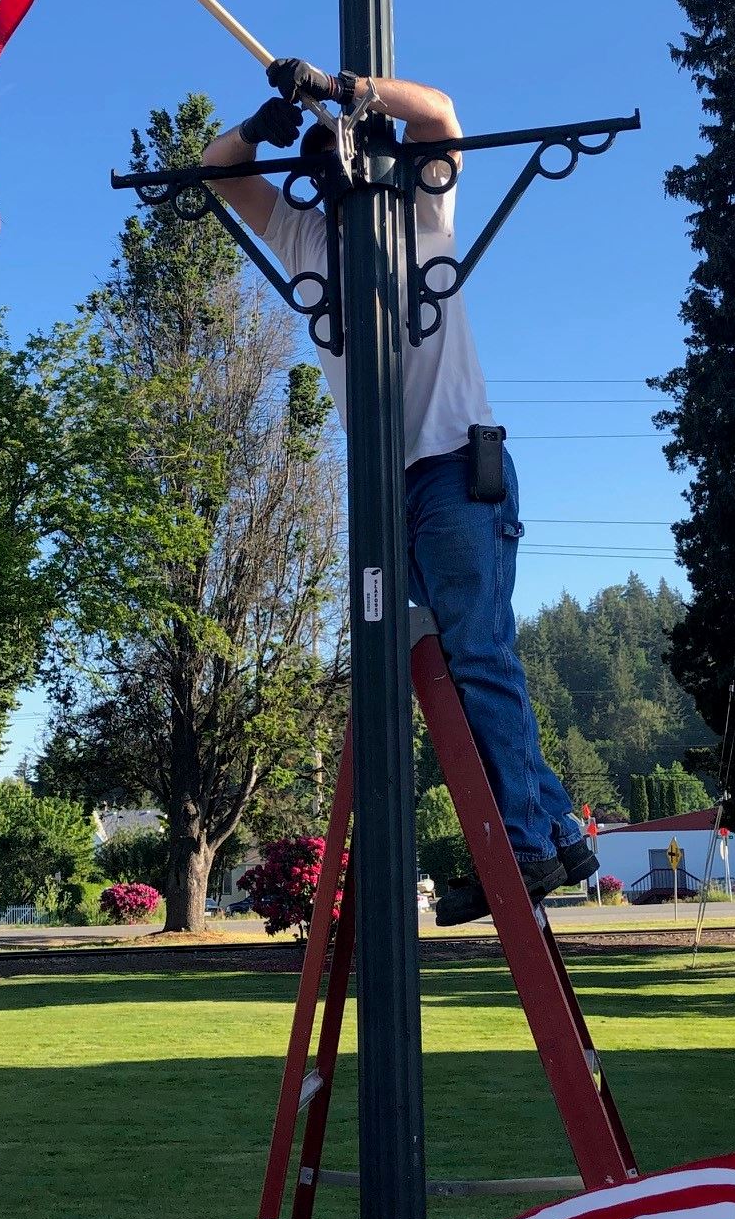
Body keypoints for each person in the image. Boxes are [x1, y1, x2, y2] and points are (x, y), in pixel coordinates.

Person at [202, 58, 595, 924]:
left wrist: (348, 86)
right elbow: (217, 170)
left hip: (457, 466)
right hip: (390, 485)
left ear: (375, 152)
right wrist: (262, 125)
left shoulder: (420, 205)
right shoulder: (309, 239)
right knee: (444, 659)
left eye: (347, 143)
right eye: (318, 150)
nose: (332, 160)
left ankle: (529, 845)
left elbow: (443, 114)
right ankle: (557, 829)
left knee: (476, 654)